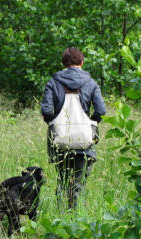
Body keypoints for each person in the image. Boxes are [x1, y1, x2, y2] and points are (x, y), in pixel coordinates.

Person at [41, 48, 106, 209]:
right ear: (82, 63)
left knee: (62, 181)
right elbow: (101, 110)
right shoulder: (91, 83)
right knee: (78, 185)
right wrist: (91, 125)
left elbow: (47, 111)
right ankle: (76, 220)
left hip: (60, 141)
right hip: (84, 143)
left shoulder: (53, 82)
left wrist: (55, 125)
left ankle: (60, 219)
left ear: (63, 64)